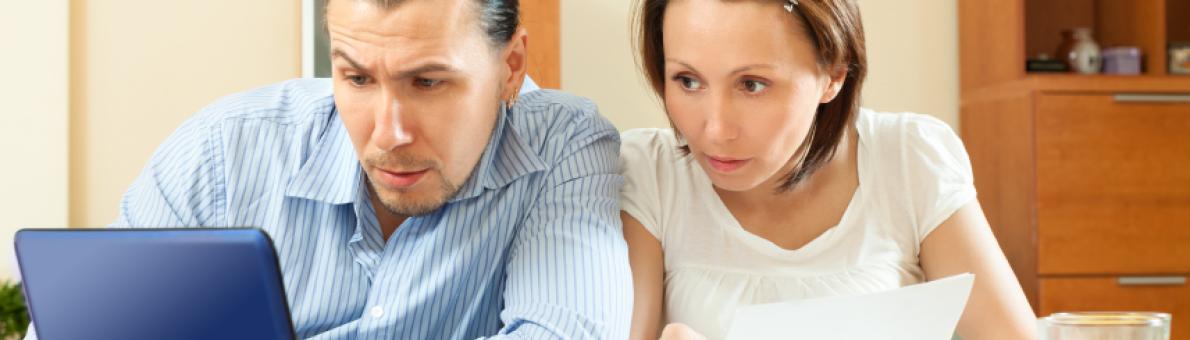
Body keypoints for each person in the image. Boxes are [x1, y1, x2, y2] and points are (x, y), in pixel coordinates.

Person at [26, 0, 632, 338]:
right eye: (358, 77)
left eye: (427, 82)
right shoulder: (225, 151)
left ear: (511, 67)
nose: (388, 133)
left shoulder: (564, 147)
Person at [619, 0, 1037, 339]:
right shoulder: (649, 172)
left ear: (833, 74)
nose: (715, 129)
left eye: (752, 84)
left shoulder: (909, 159)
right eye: (688, 81)